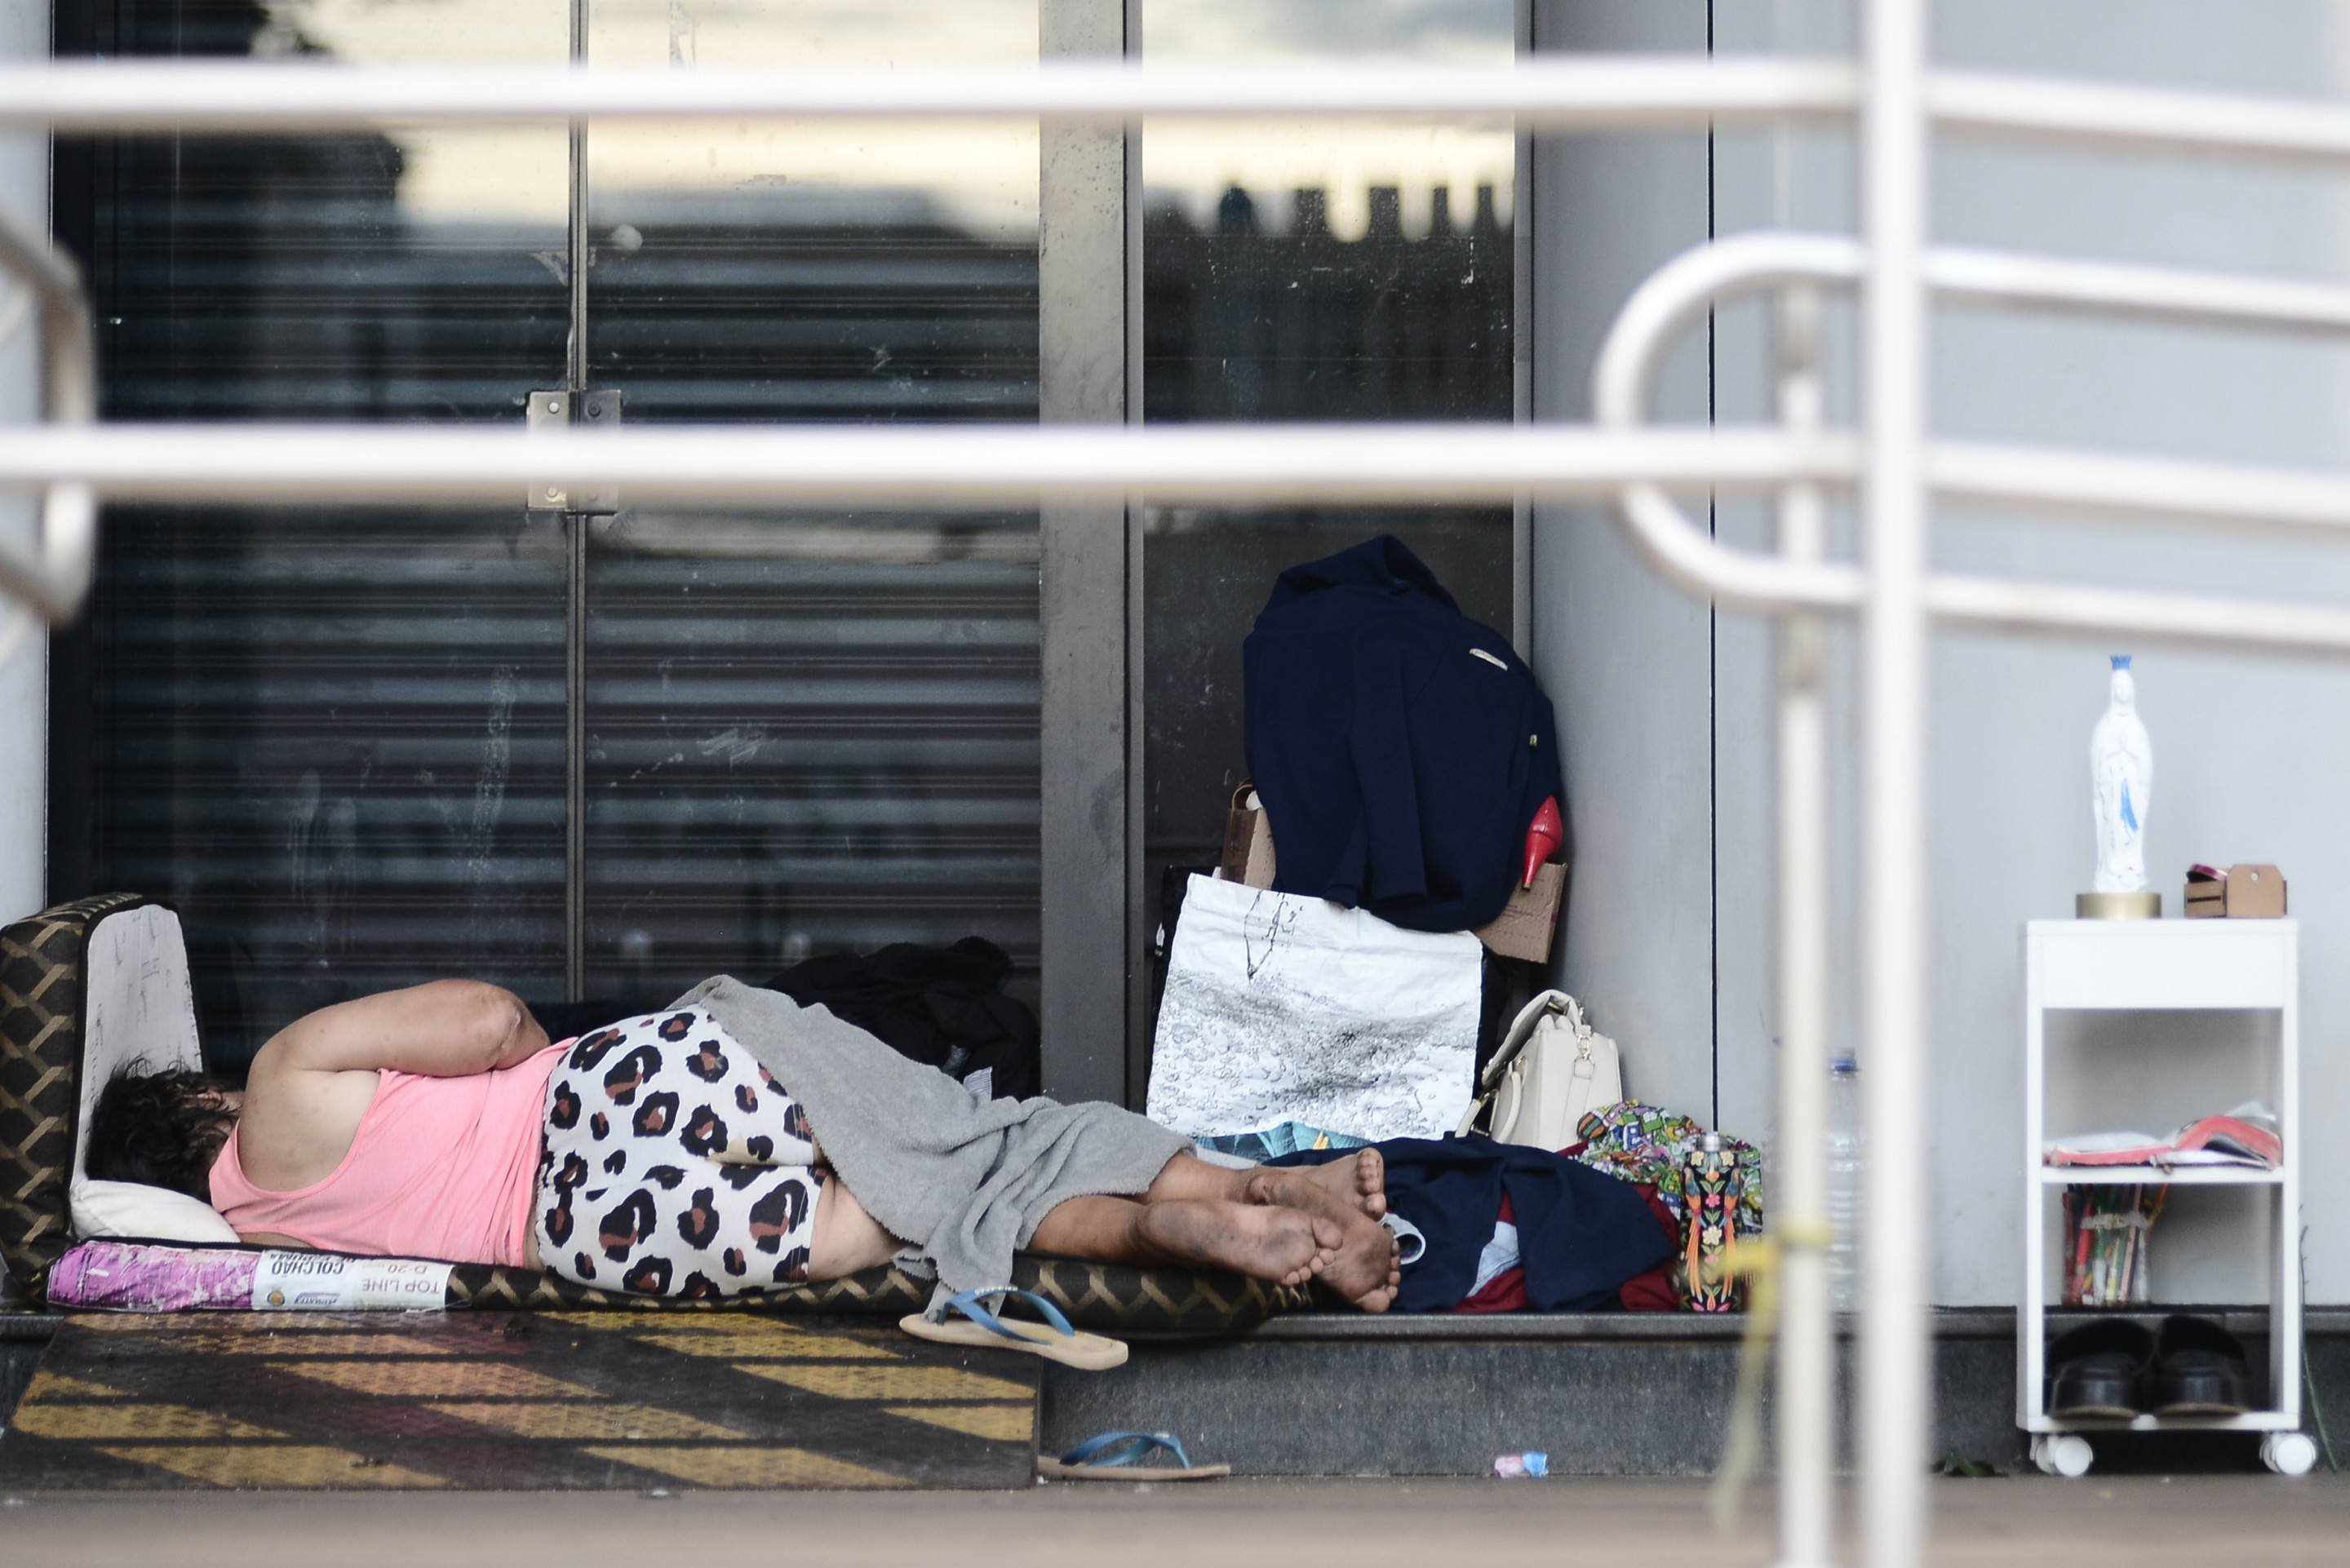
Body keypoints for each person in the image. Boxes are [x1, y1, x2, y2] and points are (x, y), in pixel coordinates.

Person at [86, 980, 1401, 1309]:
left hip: (584, 1237)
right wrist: (535, 1052)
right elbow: (489, 1019)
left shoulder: (243, 1234)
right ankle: (1236, 1181)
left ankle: (1179, 1226)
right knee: (988, 1135)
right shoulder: (278, 1080)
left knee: (927, 1222)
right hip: (605, 1098)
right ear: (197, 1104)